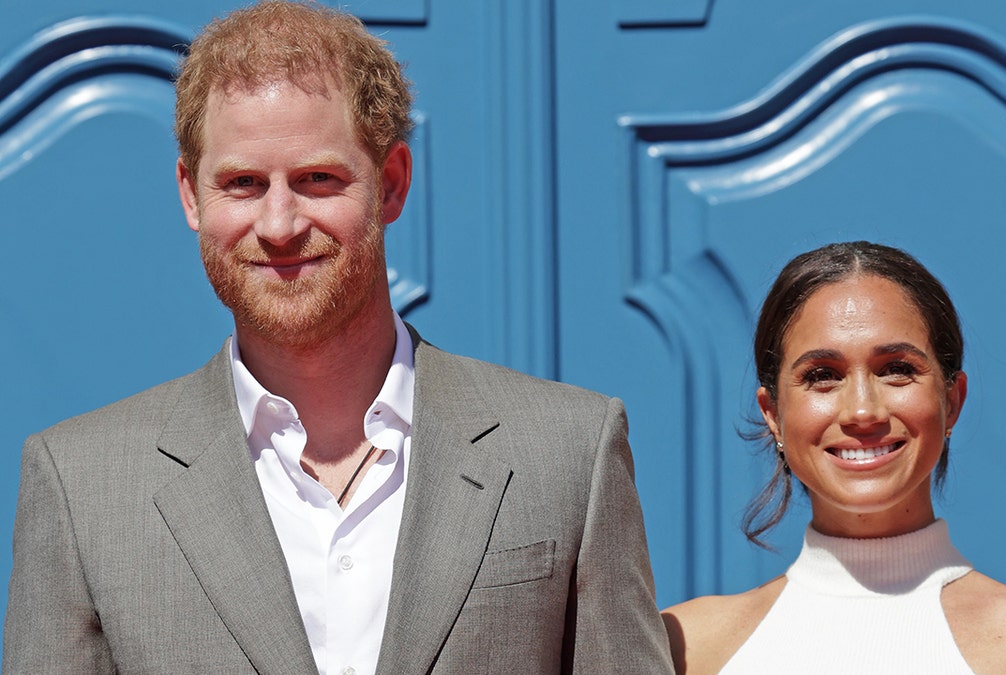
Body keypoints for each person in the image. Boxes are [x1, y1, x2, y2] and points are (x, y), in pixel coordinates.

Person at [3, 2, 671, 673]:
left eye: (317, 179)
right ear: (190, 194)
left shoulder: (568, 452)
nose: (280, 223)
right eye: (242, 184)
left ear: (391, 183)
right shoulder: (81, 487)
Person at [661, 241, 1006, 673]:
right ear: (773, 414)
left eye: (897, 370)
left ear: (953, 401)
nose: (863, 411)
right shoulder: (684, 649)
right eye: (822, 375)